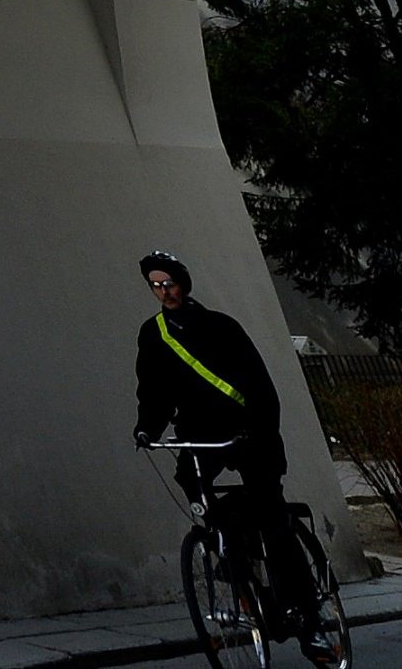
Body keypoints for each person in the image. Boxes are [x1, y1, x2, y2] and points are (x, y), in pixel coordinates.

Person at [132, 250, 316, 624]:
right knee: (191, 482)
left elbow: (259, 384)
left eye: (169, 283)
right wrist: (147, 427)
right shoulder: (153, 334)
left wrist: (260, 429)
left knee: (271, 514)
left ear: (183, 284)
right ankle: (233, 553)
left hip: (248, 430)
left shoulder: (221, 326)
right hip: (201, 435)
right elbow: (154, 390)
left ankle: (309, 614)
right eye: (156, 285)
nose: (164, 291)